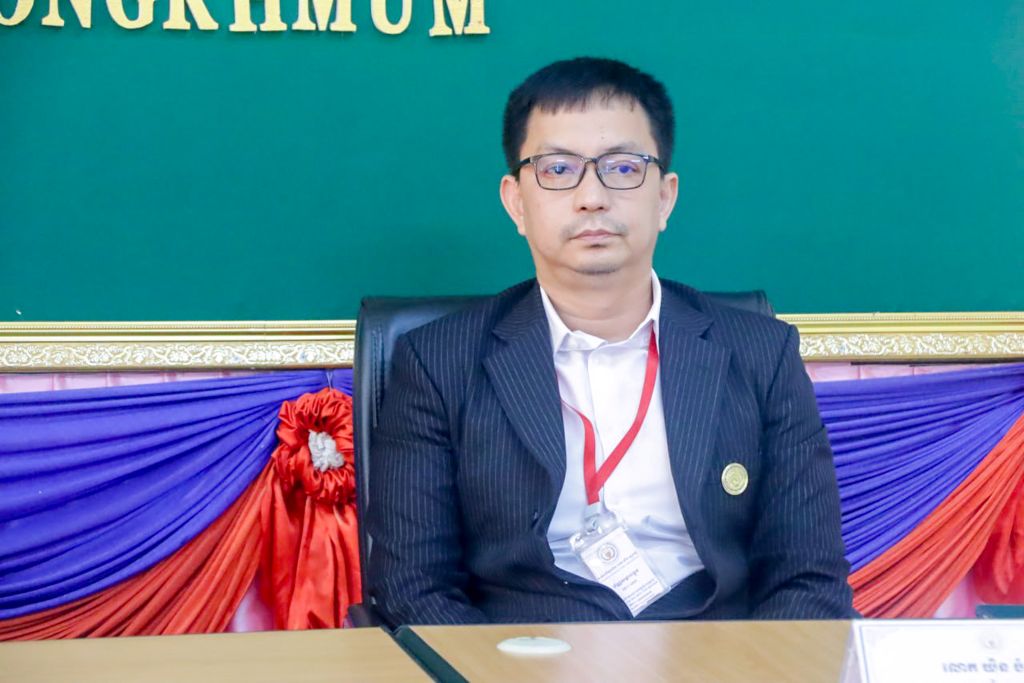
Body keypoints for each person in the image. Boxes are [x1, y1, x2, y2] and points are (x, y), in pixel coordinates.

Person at [365, 57, 853, 625]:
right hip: (524, 651)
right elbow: (413, 585)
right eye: (558, 169)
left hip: (714, 649)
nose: (592, 197)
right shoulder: (438, 363)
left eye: (622, 168)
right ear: (516, 202)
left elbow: (807, 576)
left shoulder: (761, 355)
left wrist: (753, 665)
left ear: (665, 197)